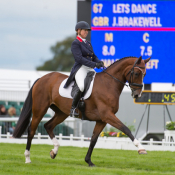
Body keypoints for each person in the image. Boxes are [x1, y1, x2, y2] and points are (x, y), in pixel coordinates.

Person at [64, 21, 104, 117]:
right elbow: (79, 59)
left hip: (89, 68)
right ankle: (73, 109)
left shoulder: (88, 43)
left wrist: (99, 62)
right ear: (78, 30)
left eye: (87, 30)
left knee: (98, 84)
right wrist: (94, 64)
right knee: (81, 86)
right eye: (84, 30)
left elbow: (93, 56)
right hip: (80, 68)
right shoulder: (75, 43)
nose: (86, 32)